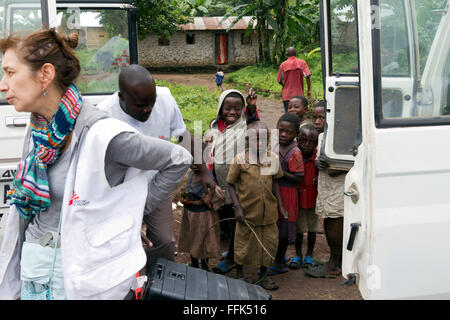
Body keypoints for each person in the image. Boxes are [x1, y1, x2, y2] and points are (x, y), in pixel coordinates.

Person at [0, 29, 191, 300]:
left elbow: (179, 158)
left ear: (45, 74)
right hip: (37, 269)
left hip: (81, 278)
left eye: (10, 73)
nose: (3, 84)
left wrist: (134, 212)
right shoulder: (39, 127)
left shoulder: (102, 134)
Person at [97, 65, 215, 266]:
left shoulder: (165, 99)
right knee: (120, 244)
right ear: (121, 97)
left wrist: (203, 171)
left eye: (151, 103)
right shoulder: (104, 115)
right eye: (141, 105)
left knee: (164, 242)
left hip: (156, 183)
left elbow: (182, 135)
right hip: (119, 191)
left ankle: (157, 286)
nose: (148, 109)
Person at [226, 120, 284, 291]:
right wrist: (237, 206)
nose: (258, 143)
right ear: (246, 140)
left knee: (268, 243)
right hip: (247, 212)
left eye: (262, 139)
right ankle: (240, 275)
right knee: (243, 243)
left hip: (268, 213)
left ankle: (263, 276)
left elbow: (275, 182)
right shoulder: (239, 160)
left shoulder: (272, 158)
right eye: (254, 140)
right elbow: (230, 183)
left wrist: (280, 205)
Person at [209, 86, 259, 275]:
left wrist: (252, 109)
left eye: (237, 108)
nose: (232, 112)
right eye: (227, 108)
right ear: (220, 107)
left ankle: (231, 257)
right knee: (225, 218)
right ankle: (230, 250)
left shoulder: (244, 127)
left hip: (237, 185)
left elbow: (255, 124)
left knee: (235, 221)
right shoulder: (215, 126)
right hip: (219, 182)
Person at [303, 101, 348, 279]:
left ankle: (334, 263)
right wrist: (319, 163)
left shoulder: (342, 135)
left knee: (334, 221)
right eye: (315, 117)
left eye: (322, 117)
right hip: (326, 185)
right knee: (328, 220)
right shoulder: (323, 136)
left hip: (337, 187)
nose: (317, 121)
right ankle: (336, 259)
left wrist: (335, 167)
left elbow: (351, 160)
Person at [269, 113, 304, 276]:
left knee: (283, 229)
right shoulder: (275, 145)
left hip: (287, 194)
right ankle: (276, 258)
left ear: (296, 134)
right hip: (274, 190)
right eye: (280, 130)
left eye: (288, 132)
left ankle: (279, 261)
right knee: (275, 226)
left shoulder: (295, 152)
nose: (283, 134)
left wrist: (280, 173)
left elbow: (299, 177)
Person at [177, 164, 223, 271]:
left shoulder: (207, 177)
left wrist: (204, 198)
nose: (193, 165)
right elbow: (187, 191)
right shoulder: (191, 174)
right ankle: (194, 266)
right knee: (191, 239)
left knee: (202, 242)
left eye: (196, 162)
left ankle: (204, 268)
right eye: (191, 162)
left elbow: (209, 198)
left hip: (202, 215)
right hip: (189, 213)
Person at [288, 124, 319, 270]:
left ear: (316, 143)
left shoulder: (318, 159)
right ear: (297, 140)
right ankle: (298, 255)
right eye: (302, 140)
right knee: (299, 230)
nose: (306, 145)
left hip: (313, 200)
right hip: (298, 201)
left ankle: (309, 255)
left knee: (312, 229)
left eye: (311, 142)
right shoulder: (294, 156)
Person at [277, 47, 312, 113]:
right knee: (299, 115)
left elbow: (279, 80)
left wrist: (285, 85)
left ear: (287, 54)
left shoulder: (283, 65)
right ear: (296, 53)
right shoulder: (302, 63)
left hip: (287, 95)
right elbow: (307, 76)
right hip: (299, 95)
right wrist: (309, 90)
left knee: (288, 116)